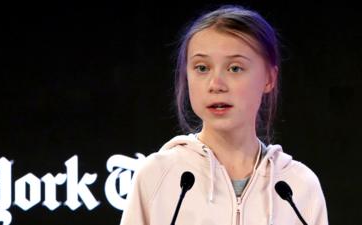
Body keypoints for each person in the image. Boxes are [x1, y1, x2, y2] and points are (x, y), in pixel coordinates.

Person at [120, 5, 328, 225]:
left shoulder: (298, 186)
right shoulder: (158, 175)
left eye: (235, 68)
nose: (215, 84)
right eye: (202, 68)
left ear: (269, 78)